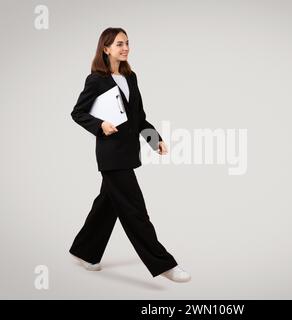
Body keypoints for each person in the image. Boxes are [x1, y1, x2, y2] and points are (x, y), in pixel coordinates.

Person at [69, 27, 190, 283]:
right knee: (136, 211)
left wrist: (153, 139)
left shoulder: (130, 77)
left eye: (127, 43)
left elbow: (139, 116)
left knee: (107, 204)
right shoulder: (96, 80)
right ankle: (164, 264)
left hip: (127, 153)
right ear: (106, 48)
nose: (125, 48)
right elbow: (78, 112)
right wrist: (100, 125)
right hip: (111, 155)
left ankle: (84, 251)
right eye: (119, 44)